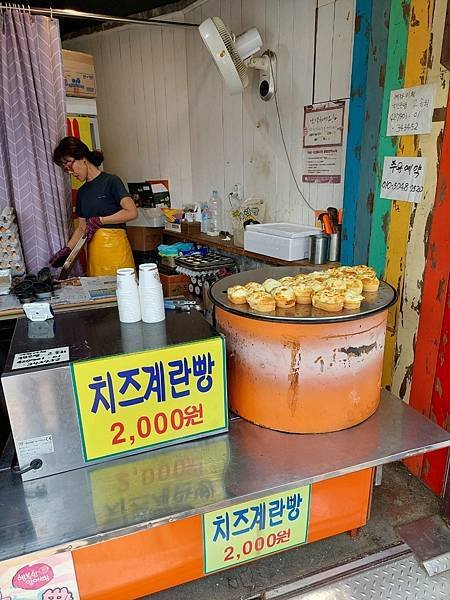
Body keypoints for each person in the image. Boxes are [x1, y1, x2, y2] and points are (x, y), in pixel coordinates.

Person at [51, 137, 138, 276]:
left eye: (69, 166)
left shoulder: (111, 181)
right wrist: (68, 249)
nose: (70, 172)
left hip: (117, 253)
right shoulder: (82, 192)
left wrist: (101, 220)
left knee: (123, 292)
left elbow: (131, 212)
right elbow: (81, 228)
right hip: (94, 257)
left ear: (81, 158)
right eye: (66, 170)